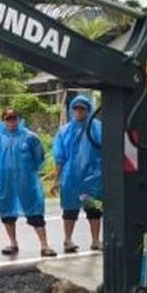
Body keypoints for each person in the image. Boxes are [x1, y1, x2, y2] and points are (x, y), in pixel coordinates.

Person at [0, 107, 55, 257]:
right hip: (5, 182)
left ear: (19, 119)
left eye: (14, 118)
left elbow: (39, 158)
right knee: (7, 212)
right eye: (8, 119)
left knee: (35, 213)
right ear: (3, 121)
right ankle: (13, 243)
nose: (11, 122)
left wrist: (29, 173)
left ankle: (44, 245)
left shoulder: (30, 138)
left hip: (27, 182)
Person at [51, 94, 103, 253]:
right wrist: (56, 179)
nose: (79, 111)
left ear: (88, 110)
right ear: (72, 110)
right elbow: (59, 157)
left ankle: (96, 240)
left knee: (94, 210)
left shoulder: (98, 128)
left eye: (82, 109)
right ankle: (68, 240)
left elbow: (107, 151)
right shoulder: (64, 131)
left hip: (93, 177)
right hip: (71, 177)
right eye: (76, 108)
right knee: (69, 210)